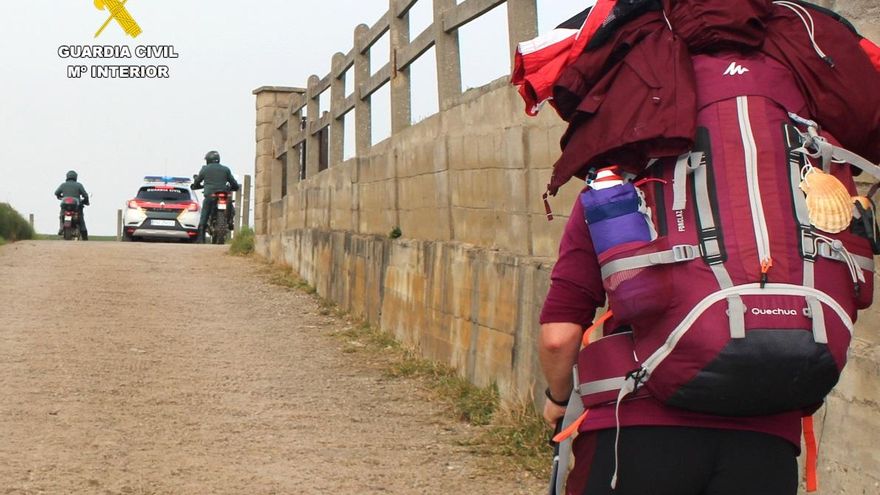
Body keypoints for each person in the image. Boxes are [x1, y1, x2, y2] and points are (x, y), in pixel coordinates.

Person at [539, 191, 802, 495]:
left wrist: (558, 400)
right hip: (767, 437)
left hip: (635, 428)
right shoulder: (794, 176)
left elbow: (558, 338)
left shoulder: (615, 184)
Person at [192, 150, 239, 243]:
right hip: (224, 194)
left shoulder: (205, 169)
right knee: (232, 208)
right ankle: (230, 222)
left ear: (208, 160)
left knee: (204, 214)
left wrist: (195, 185)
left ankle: (201, 238)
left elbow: (197, 181)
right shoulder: (225, 169)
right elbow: (233, 183)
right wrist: (234, 187)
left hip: (210, 195)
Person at [54, 170, 90, 240]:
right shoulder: (79, 185)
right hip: (76, 206)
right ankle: (84, 236)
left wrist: (60, 196)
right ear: (75, 177)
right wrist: (86, 201)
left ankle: (61, 228)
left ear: (67, 176)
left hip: (64, 206)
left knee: (61, 216)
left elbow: (56, 192)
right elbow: (85, 195)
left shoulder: (63, 185)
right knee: (81, 219)